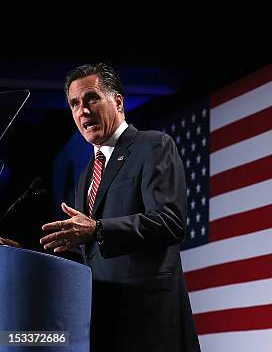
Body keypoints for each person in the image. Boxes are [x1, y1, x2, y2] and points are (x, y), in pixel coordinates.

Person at [40, 63, 200, 352]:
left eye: (91, 98)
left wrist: (97, 228)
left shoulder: (153, 145)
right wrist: (24, 253)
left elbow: (170, 222)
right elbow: (85, 250)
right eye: (74, 104)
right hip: (103, 322)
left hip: (148, 322)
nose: (82, 110)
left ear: (117, 101)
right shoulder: (86, 174)